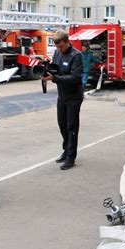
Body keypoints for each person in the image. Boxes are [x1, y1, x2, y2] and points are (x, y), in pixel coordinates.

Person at [41, 30, 83, 170]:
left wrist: (55, 78)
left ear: (67, 42)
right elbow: (56, 68)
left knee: (72, 127)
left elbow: (75, 78)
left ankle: (71, 158)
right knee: (62, 125)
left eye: (61, 46)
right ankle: (66, 151)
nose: (59, 49)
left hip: (74, 97)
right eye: (57, 47)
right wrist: (47, 68)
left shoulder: (76, 55)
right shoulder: (58, 53)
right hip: (62, 95)